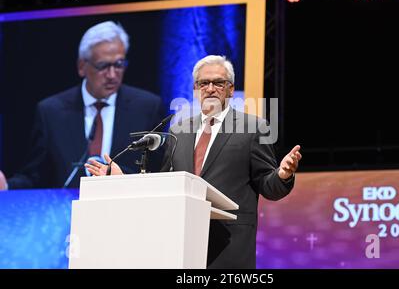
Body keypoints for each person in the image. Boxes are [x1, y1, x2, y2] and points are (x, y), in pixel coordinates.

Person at [85, 55, 301, 269]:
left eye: (218, 82)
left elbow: (268, 185)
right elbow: (166, 185)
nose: (210, 88)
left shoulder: (252, 128)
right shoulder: (180, 130)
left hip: (229, 246)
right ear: (196, 90)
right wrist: (123, 181)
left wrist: (283, 174)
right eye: (203, 83)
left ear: (231, 89)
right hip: (182, 242)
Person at [0, 21, 164, 190]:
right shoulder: (51, 112)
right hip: (65, 211)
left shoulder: (147, 107)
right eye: (103, 66)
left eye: (119, 64)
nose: (112, 74)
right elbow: (36, 176)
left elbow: (158, 173)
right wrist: (7, 186)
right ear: (82, 66)